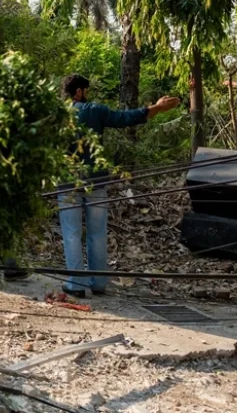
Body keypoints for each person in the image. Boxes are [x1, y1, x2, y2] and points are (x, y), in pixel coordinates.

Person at [57, 74, 180, 297]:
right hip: (97, 181)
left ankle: (76, 284)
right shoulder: (94, 110)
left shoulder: (57, 115)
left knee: (72, 233)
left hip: (67, 182)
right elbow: (125, 118)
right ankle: (99, 283)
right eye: (86, 89)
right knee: (98, 232)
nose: (88, 94)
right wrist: (157, 108)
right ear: (78, 92)